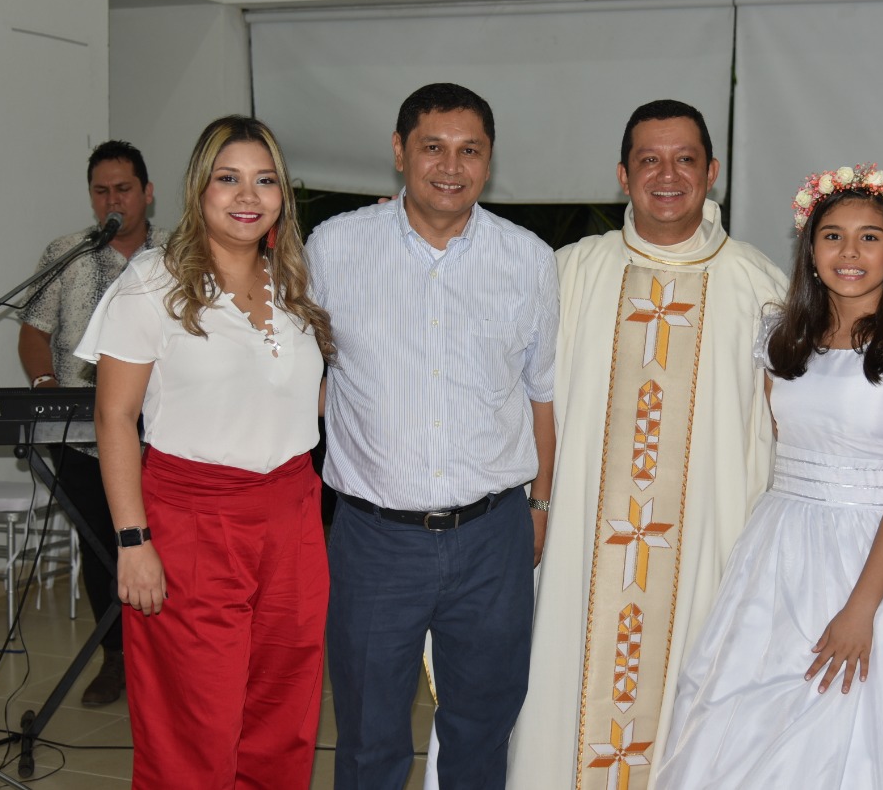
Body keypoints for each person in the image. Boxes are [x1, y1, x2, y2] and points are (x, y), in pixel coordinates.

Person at [653, 165, 883, 789]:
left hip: (874, 555)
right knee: (746, 725)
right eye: (832, 236)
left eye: (870, 237)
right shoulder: (778, 335)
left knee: (856, 731)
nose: (849, 253)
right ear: (810, 246)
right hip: (780, 551)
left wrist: (861, 608)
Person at [508, 100, 788, 790]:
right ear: (622, 174)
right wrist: (535, 502)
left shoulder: (762, 287)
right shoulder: (569, 273)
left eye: (685, 159)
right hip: (580, 544)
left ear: (712, 172)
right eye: (649, 160)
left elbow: (789, 429)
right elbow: (523, 401)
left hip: (709, 548)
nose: (668, 175)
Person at [306, 82, 557, 790]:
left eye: (470, 150)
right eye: (433, 147)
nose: (452, 166)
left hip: (492, 538)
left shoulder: (528, 258)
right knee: (369, 737)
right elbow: (303, 370)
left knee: (482, 730)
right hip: (376, 538)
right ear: (399, 152)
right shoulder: (336, 248)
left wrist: (538, 506)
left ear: (489, 159)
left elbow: (542, 394)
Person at [75, 116, 333, 788]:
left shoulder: (295, 285)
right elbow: (114, 415)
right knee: (194, 724)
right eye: (229, 178)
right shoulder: (150, 283)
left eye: (265, 179)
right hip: (193, 521)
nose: (248, 194)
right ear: (198, 190)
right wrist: (132, 540)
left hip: (294, 518)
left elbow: (299, 400)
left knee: (283, 717)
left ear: (282, 195)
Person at [19, 139, 168, 705]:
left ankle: (162, 660)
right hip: (82, 438)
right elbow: (34, 332)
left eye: (123, 189)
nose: (113, 200)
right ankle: (115, 659)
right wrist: (45, 388)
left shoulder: (179, 253)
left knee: (164, 549)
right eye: (101, 190)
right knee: (102, 549)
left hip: (162, 436)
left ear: (147, 194)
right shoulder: (66, 254)